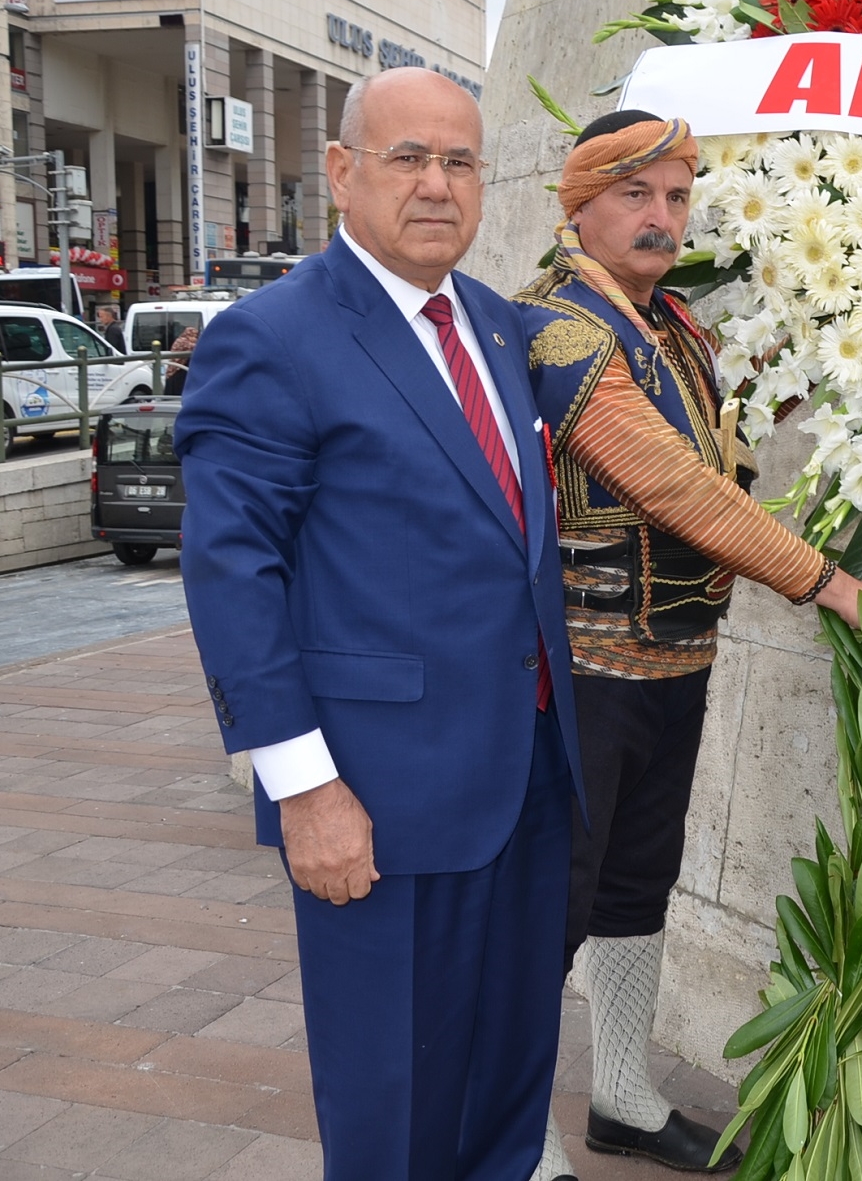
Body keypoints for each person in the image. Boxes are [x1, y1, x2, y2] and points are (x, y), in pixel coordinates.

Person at [176, 68, 586, 1181]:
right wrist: (305, 788)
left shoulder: (499, 329)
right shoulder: (274, 338)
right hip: (379, 797)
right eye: (409, 158)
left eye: (459, 161)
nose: (437, 185)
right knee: (394, 1108)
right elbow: (231, 576)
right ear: (345, 173)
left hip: (527, 778)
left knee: (506, 1084)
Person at [514, 111, 862, 1179]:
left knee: (634, 883)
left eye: (675, 195)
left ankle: (621, 1098)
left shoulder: (675, 326)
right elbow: (669, 484)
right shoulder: (558, 327)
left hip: (676, 660)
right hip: (581, 670)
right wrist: (837, 588)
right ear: (577, 206)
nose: (661, 218)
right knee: (548, 901)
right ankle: (516, 1137)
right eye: (634, 196)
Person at [159, 326, 197, 395]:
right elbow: (195, 346)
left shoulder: (181, 339)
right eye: (193, 335)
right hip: (176, 370)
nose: (194, 338)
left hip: (178, 368)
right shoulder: (183, 341)